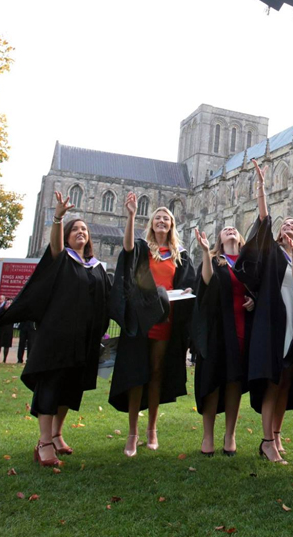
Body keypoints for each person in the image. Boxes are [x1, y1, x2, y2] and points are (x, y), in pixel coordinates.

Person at [0, 191, 110, 465]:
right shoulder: (62, 258)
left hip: (82, 339)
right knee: (51, 384)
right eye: (75, 229)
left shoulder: (96, 267)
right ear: (67, 236)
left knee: (70, 386)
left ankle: (57, 434)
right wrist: (58, 217)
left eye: (84, 230)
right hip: (56, 336)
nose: (81, 232)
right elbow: (54, 247)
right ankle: (43, 442)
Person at [109, 194, 196, 457]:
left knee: (157, 372)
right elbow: (125, 250)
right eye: (157, 218)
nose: (161, 221)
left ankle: (152, 430)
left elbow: (184, 282)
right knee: (137, 374)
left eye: (166, 219)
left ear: (171, 225)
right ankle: (133, 434)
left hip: (165, 320)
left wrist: (187, 289)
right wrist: (131, 215)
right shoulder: (141, 248)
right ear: (152, 223)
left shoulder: (179, 254)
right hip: (141, 320)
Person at [234, 160, 293, 464]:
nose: (289, 226)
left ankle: (276, 435)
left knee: (286, 381)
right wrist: (263, 189)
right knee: (272, 381)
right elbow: (264, 221)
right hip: (272, 322)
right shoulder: (272, 252)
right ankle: (266, 441)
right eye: (285, 225)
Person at [191, 226, 254, 456]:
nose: (230, 230)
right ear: (219, 238)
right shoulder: (215, 260)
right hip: (217, 329)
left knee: (234, 382)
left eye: (234, 229)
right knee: (213, 380)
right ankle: (208, 436)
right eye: (225, 229)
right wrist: (206, 253)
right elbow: (206, 282)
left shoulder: (247, 263)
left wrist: (252, 301)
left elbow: (255, 290)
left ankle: (230, 435)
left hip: (240, 327)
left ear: (240, 237)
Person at [0, 295, 13, 363]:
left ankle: (4, 360)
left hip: (8, 329)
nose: (8, 304)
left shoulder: (12, 310)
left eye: (9, 303)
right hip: (1, 328)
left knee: (6, 345)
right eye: (7, 303)